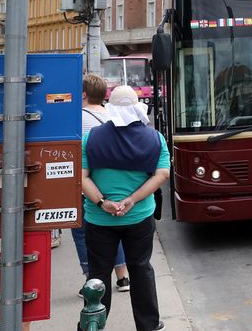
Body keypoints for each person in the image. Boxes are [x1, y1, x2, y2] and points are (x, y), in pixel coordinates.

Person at [81, 85, 171, 331]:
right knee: (141, 268)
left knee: (98, 274)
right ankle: (148, 325)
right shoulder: (155, 138)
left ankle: (93, 325)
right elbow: (162, 174)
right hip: (139, 217)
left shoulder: (92, 137)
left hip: (99, 220)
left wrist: (102, 202)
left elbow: (82, 177)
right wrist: (132, 199)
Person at [72, 74, 130, 292]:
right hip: (110, 184)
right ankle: (123, 276)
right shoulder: (111, 117)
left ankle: (92, 281)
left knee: (82, 232)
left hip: (83, 185)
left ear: (84, 94)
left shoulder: (75, 118)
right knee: (113, 228)